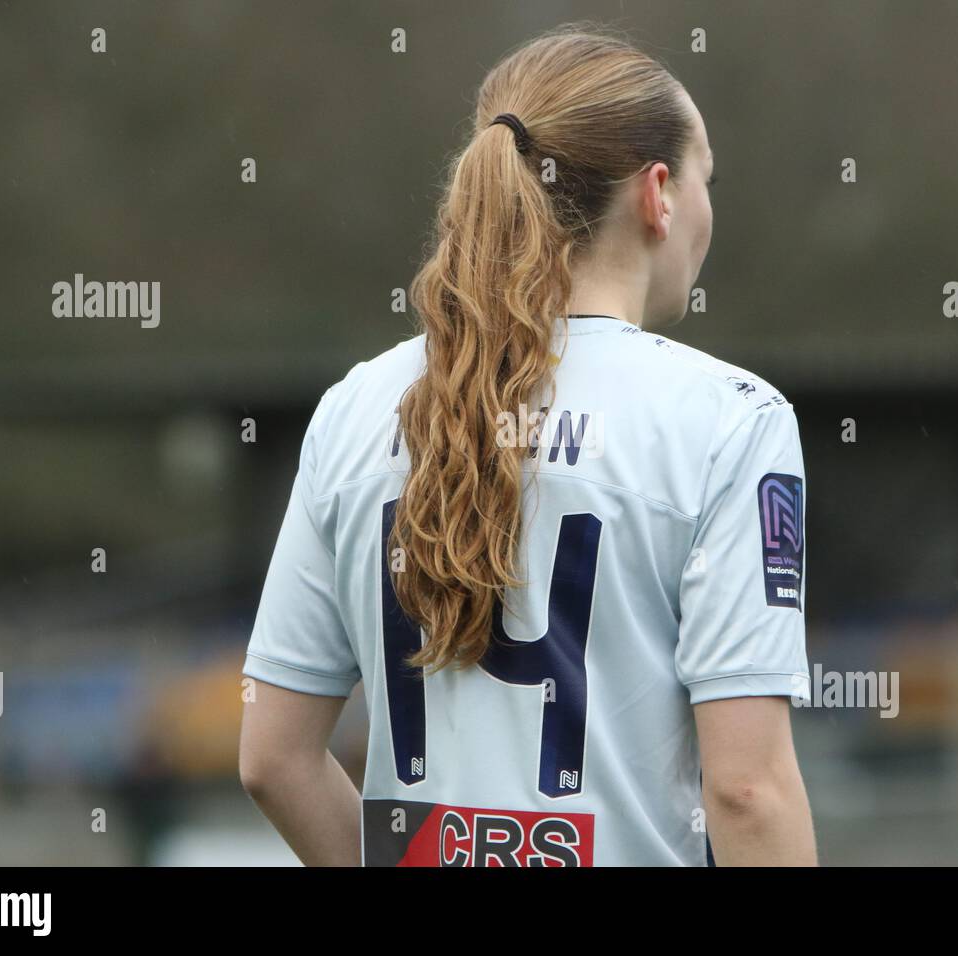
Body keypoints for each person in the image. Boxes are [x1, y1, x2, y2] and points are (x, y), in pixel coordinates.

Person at [238, 23, 816, 866]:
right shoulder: (732, 419)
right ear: (658, 194)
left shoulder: (356, 406)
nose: (707, 209)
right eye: (707, 181)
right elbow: (748, 790)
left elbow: (272, 759)